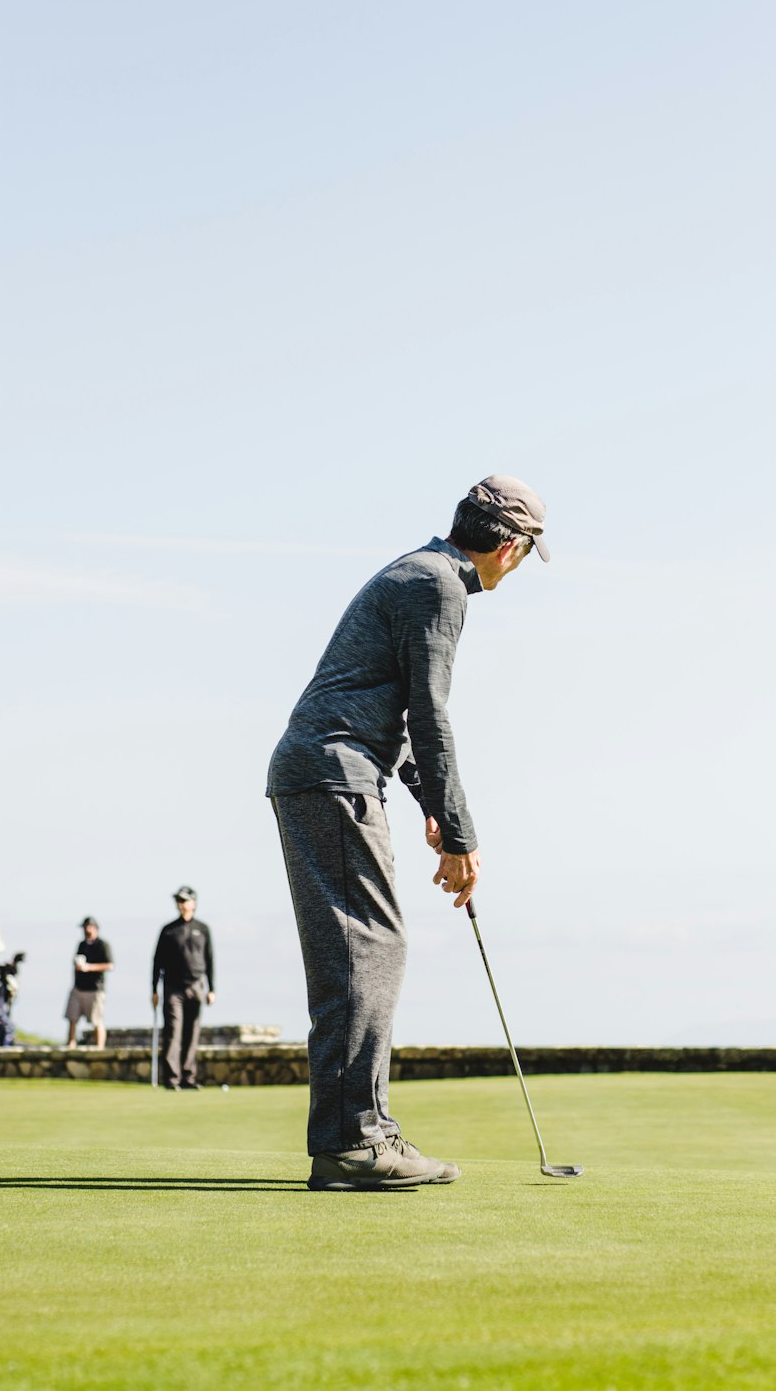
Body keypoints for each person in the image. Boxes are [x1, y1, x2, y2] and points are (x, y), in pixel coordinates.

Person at [267, 475, 548, 1191]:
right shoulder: (439, 587)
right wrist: (459, 835)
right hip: (335, 774)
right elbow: (430, 714)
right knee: (368, 951)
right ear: (511, 548)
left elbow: (395, 713)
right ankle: (356, 1141)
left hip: (329, 771)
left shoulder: (417, 571)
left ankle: (353, 1136)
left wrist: (428, 799)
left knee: (358, 952)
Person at [151, 887, 215, 1090]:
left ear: (193, 903)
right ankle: (172, 1079)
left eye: (184, 900)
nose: (181, 904)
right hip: (172, 987)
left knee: (192, 1033)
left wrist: (212, 988)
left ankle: (188, 1077)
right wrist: (154, 989)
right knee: (173, 1032)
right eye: (178, 900)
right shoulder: (168, 929)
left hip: (196, 985)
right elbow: (157, 961)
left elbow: (209, 959)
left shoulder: (203, 929)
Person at [65, 917, 113, 1049]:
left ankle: (100, 1047)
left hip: (95, 989)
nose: (86, 930)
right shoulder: (81, 945)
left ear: (94, 927)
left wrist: (89, 967)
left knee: (97, 1020)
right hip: (78, 987)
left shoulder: (103, 945)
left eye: (88, 926)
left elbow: (110, 965)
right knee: (72, 1017)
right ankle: (71, 1044)